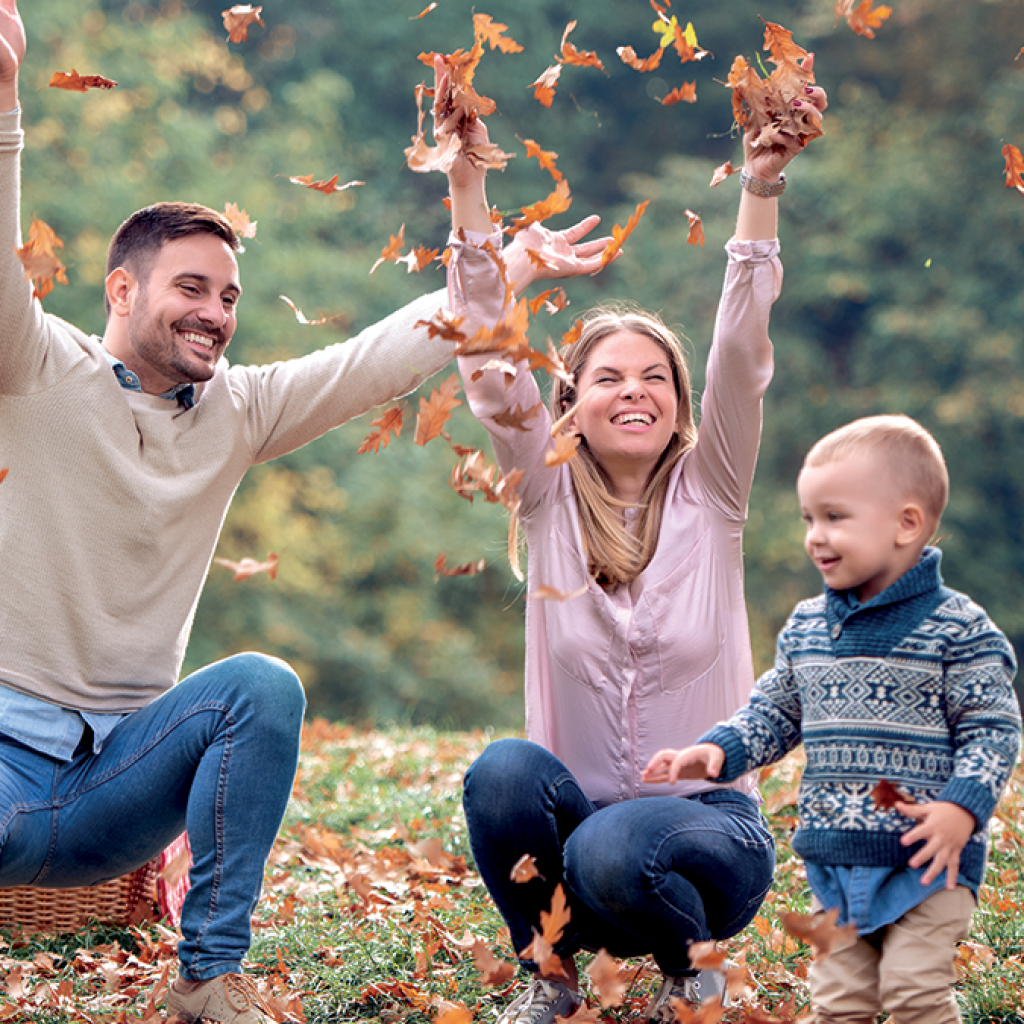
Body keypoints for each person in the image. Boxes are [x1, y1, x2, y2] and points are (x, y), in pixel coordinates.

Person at [0, 5, 601, 1023]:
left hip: (118, 790)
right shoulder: (37, 367)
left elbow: (376, 358)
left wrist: (502, 274)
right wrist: (8, 105)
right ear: (118, 287)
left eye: (231, 296)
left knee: (261, 687)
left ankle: (206, 978)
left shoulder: (236, 411)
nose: (216, 313)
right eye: (191, 287)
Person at [442, 52, 829, 1023]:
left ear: (679, 406)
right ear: (568, 404)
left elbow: (741, 347)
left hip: (707, 844)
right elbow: (491, 362)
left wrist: (761, 183)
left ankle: (689, 966)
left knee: (620, 848)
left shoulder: (717, 492)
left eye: (654, 376)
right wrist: (466, 181)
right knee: (500, 774)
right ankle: (555, 976)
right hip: (579, 849)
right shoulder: (545, 496)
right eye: (608, 376)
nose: (635, 390)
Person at [644, 414, 1022, 1024]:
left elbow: (993, 729)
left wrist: (962, 807)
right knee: (840, 1000)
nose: (815, 536)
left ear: (907, 524)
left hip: (929, 861)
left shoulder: (959, 630)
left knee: (913, 992)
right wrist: (719, 750)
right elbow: (776, 709)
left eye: (835, 517)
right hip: (837, 859)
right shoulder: (808, 627)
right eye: (809, 519)